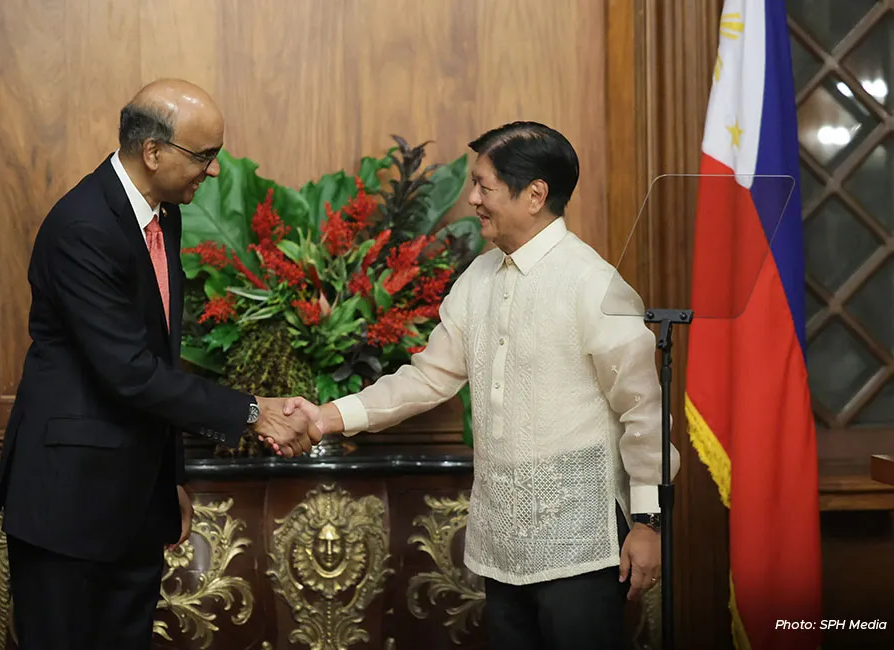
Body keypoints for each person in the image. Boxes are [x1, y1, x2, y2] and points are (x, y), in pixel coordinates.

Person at [279, 121, 680, 650]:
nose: (472, 198)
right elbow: (428, 377)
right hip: (502, 545)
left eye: (484, 186)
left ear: (535, 194)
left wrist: (648, 522)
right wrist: (327, 417)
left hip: (582, 545)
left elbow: (642, 410)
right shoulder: (479, 277)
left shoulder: (593, 283)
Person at [0, 78, 319, 650]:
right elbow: (130, 371)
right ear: (153, 152)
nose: (213, 171)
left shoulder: (161, 214)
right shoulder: (83, 227)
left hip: (131, 502)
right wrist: (252, 413)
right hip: (67, 504)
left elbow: (155, 356)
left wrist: (165, 480)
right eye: (204, 156)